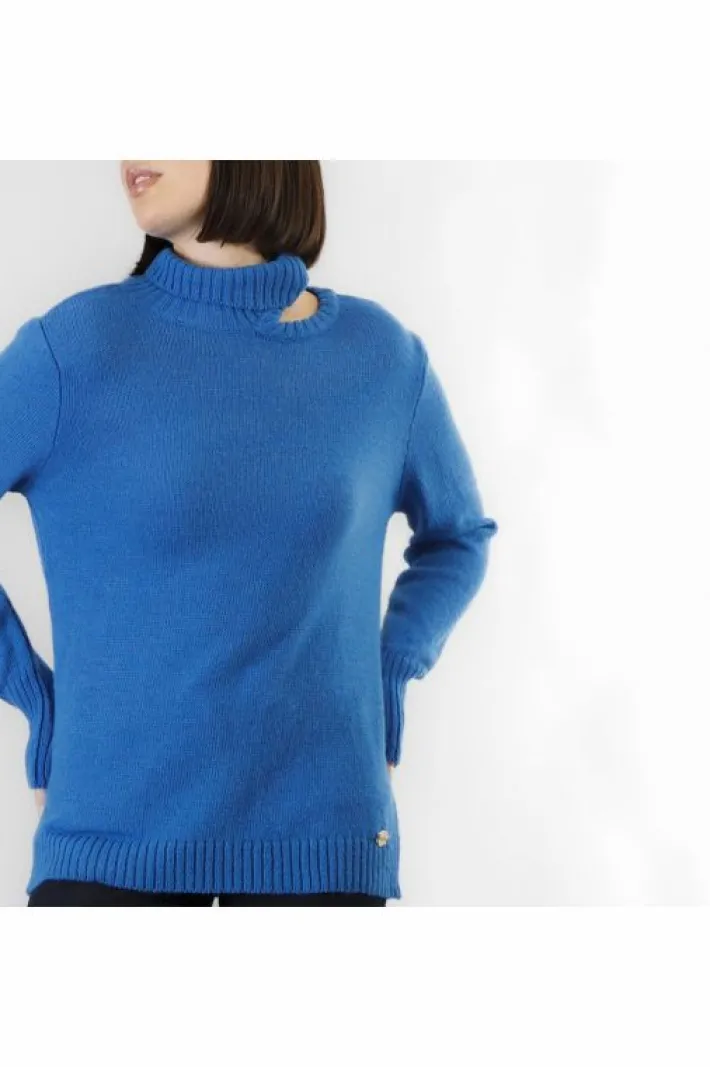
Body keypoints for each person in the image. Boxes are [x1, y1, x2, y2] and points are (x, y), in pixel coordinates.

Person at [0, 160, 498, 907]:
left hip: (322, 848)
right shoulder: (73, 349)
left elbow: (458, 535)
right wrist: (35, 703)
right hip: (110, 850)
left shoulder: (383, 360)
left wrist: (389, 677)